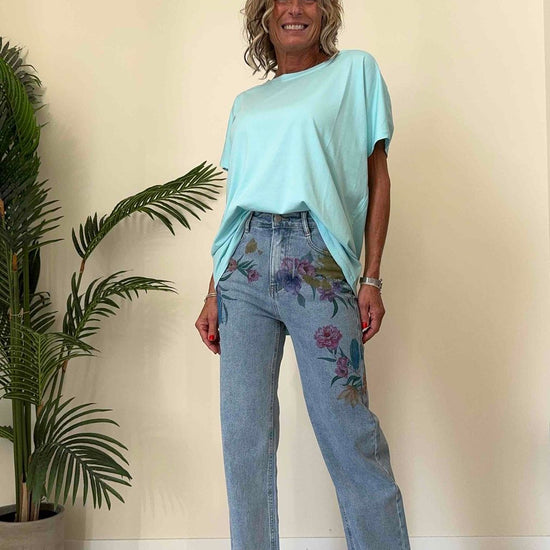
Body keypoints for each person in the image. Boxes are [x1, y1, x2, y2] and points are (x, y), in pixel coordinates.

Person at [195, 0, 411, 548]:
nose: (295, 8)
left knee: (348, 432)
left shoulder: (354, 72)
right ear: (264, 16)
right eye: (281, 0)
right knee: (243, 438)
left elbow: (378, 179)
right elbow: (237, 201)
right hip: (242, 265)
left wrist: (372, 277)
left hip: (316, 261)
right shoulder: (247, 104)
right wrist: (214, 289)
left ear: (326, 12)